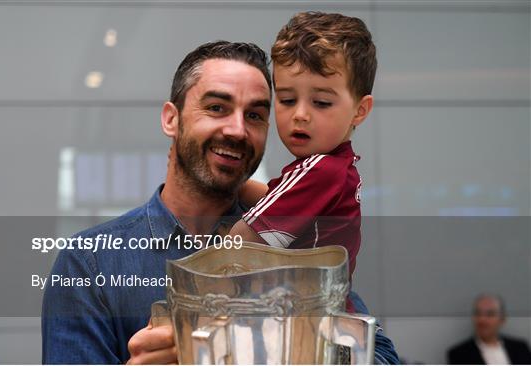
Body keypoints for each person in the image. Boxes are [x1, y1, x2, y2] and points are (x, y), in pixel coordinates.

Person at [42, 41, 399, 364]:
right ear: (172, 119)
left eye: (256, 115)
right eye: (217, 107)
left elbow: (382, 356)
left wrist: (295, 350)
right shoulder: (90, 262)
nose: (237, 130)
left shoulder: (292, 239)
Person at [229, 13, 375, 309]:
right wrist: (230, 186)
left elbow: (238, 245)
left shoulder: (319, 169)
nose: (300, 115)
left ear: (360, 110)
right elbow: (278, 200)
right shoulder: (340, 168)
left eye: (321, 102)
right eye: (286, 99)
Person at [447, 294, 531, 364]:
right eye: (478, 314)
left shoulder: (520, 348)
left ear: (502, 320)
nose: (482, 319)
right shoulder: (459, 354)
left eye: (490, 314)